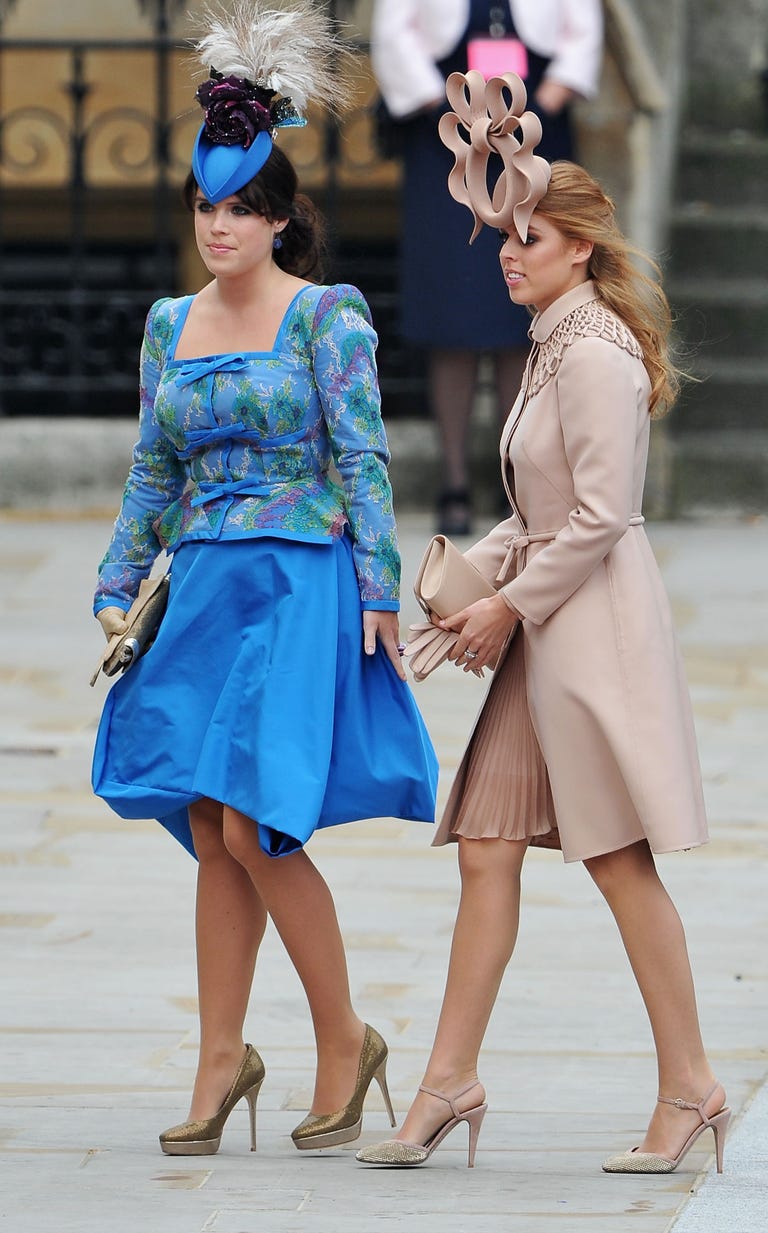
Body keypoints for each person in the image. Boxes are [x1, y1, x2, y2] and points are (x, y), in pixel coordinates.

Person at [356, 70, 729, 1173]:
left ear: (580, 246)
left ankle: (693, 1089)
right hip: (542, 637)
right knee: (485, 853)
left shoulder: (596, 351)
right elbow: (540, 511)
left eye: (529, 234)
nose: (508, 250)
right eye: (501, 232)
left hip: (589, 642)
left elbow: (609, 515)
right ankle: (446, 1083)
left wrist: (504, 609)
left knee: (619, 865)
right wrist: (459, 591)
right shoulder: (551, 341)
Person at [91, 1, 437, 1157]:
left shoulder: (327, 317)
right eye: (207, 205)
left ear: (283, 219)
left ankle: (344, 1039)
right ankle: (220, 1057)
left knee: (255, 822)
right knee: (203, 812)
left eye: (245, 207)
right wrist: (117, 579)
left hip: (301, 582)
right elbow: (152, 468)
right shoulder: (167, 324)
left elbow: (365, 460)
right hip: (204, 589)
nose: (222, 225)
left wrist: (380, 593)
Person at [370, 0, 603, 536]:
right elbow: (395, 30)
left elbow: (582, 30)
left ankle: (518, 483)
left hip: (536, 135)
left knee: (523, 313)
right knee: (451, 310)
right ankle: (453, 477)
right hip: (446, 139)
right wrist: (442, 107)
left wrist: (543, 103)